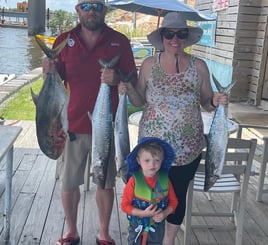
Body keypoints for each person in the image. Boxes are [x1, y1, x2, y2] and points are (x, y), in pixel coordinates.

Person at [119, 12, 228, 245]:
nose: (175, 38)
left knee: (176, 196)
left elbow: (206, 102)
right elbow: (139, 100)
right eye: (170, 33)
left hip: (188, 149)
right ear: (162, 36)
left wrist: (215, 101)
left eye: (181, 33)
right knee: (148, 195)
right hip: (152, 151)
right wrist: (128, 89)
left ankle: (168, 242)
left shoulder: (199, 66)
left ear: (187, 37)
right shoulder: (149, 64)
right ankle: (146, 238)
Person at [43, 1, 137, 244]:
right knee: (69, 183)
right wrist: (48, 71)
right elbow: (56, 79)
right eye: (86, 5)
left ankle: (103, 233)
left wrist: (117, 78)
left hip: (106, 126)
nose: (91, 10)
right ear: (77, 10)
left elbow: (132, 79)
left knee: (105, 184)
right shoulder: (64, 40)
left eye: (97, 5)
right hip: (71, 123)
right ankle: (71, 231)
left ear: (105, 10)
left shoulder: (120, 41)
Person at [121, 137, 178, 245]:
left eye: (156, 160)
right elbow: (125, 205)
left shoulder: (165, 180)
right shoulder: (134, 181)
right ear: (138, 160)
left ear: (162, 160)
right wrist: (143, 213)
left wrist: (164, 213)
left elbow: (174, 202)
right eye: (147, 160)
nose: (152, 165)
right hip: (136, 226)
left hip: (157, 226)